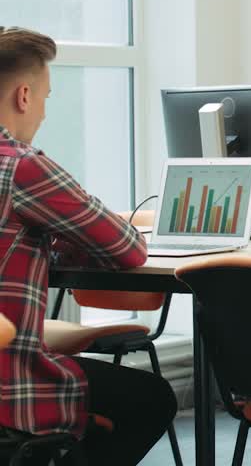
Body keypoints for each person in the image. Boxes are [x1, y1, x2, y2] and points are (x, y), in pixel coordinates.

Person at [0, 27, 177, 464]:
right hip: (10, 382)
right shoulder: (22, 166)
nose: (44, 112)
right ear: (24, 96)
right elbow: (127, 248)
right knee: (151, 399)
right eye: (46, 97)